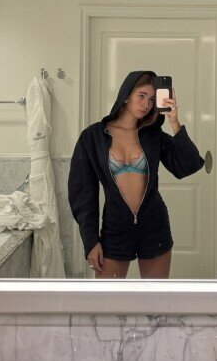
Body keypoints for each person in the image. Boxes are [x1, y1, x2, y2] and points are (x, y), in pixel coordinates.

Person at [68, 70, 204, 279]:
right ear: (126, 95)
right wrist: (91, 241)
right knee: (106, 297)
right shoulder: (93, 137)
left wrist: (174, 121)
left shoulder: (153, 135)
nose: (146, 104)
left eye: (152, 99)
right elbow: (82, 194)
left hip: (154, 226)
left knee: (155, 297)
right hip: (115, 228)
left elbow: (188, 166)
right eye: (141, 96)